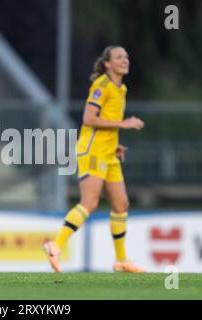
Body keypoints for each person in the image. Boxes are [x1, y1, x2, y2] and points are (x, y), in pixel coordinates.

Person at [44, 46, 146, 273]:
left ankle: (121, 260)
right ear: (107, 63)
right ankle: (55, 245)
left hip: (108, 153)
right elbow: (89, 118)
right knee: (89, 203)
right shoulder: (102, 85)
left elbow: (105, 121)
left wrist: (115, 143)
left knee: (121, 204)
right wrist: (124, 124)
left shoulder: (122, 88)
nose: (125, 60)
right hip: (92, 153)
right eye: (119, 57)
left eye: (127, 57)